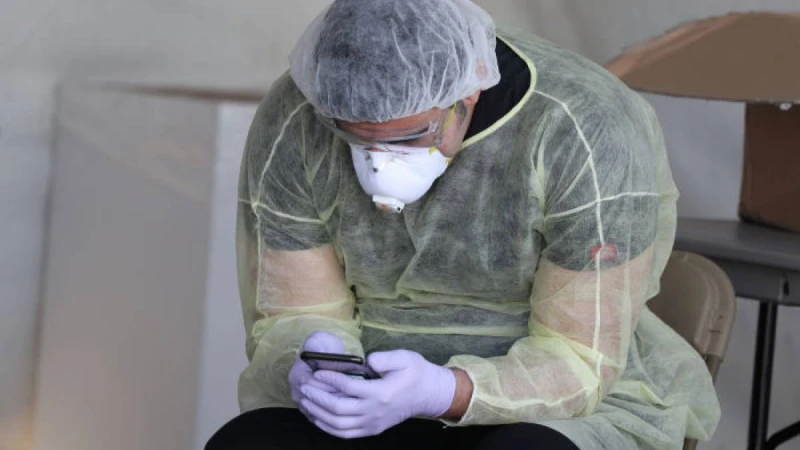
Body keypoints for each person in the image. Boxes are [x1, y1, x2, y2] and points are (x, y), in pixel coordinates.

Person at [207, 1, 721, 449]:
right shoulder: (298, 117)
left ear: (469, 92)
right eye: (357, 140)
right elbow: (295, 311)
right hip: (374, 395)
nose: (380, 165)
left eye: (410, 137)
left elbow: (578, 360)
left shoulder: (580, 126)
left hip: (550, 408)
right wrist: (312, 359)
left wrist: (442, 391)